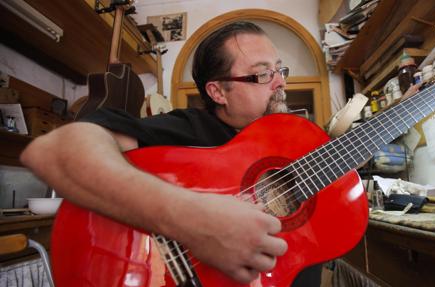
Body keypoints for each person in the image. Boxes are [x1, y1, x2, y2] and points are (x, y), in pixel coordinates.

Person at [21, 21, 322, 285]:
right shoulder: (187, 130)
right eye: (262, 75)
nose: (281, 82)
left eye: (279, 69)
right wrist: (191, 221)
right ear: (218, 92)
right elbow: (55, 151)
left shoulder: (292, 144)